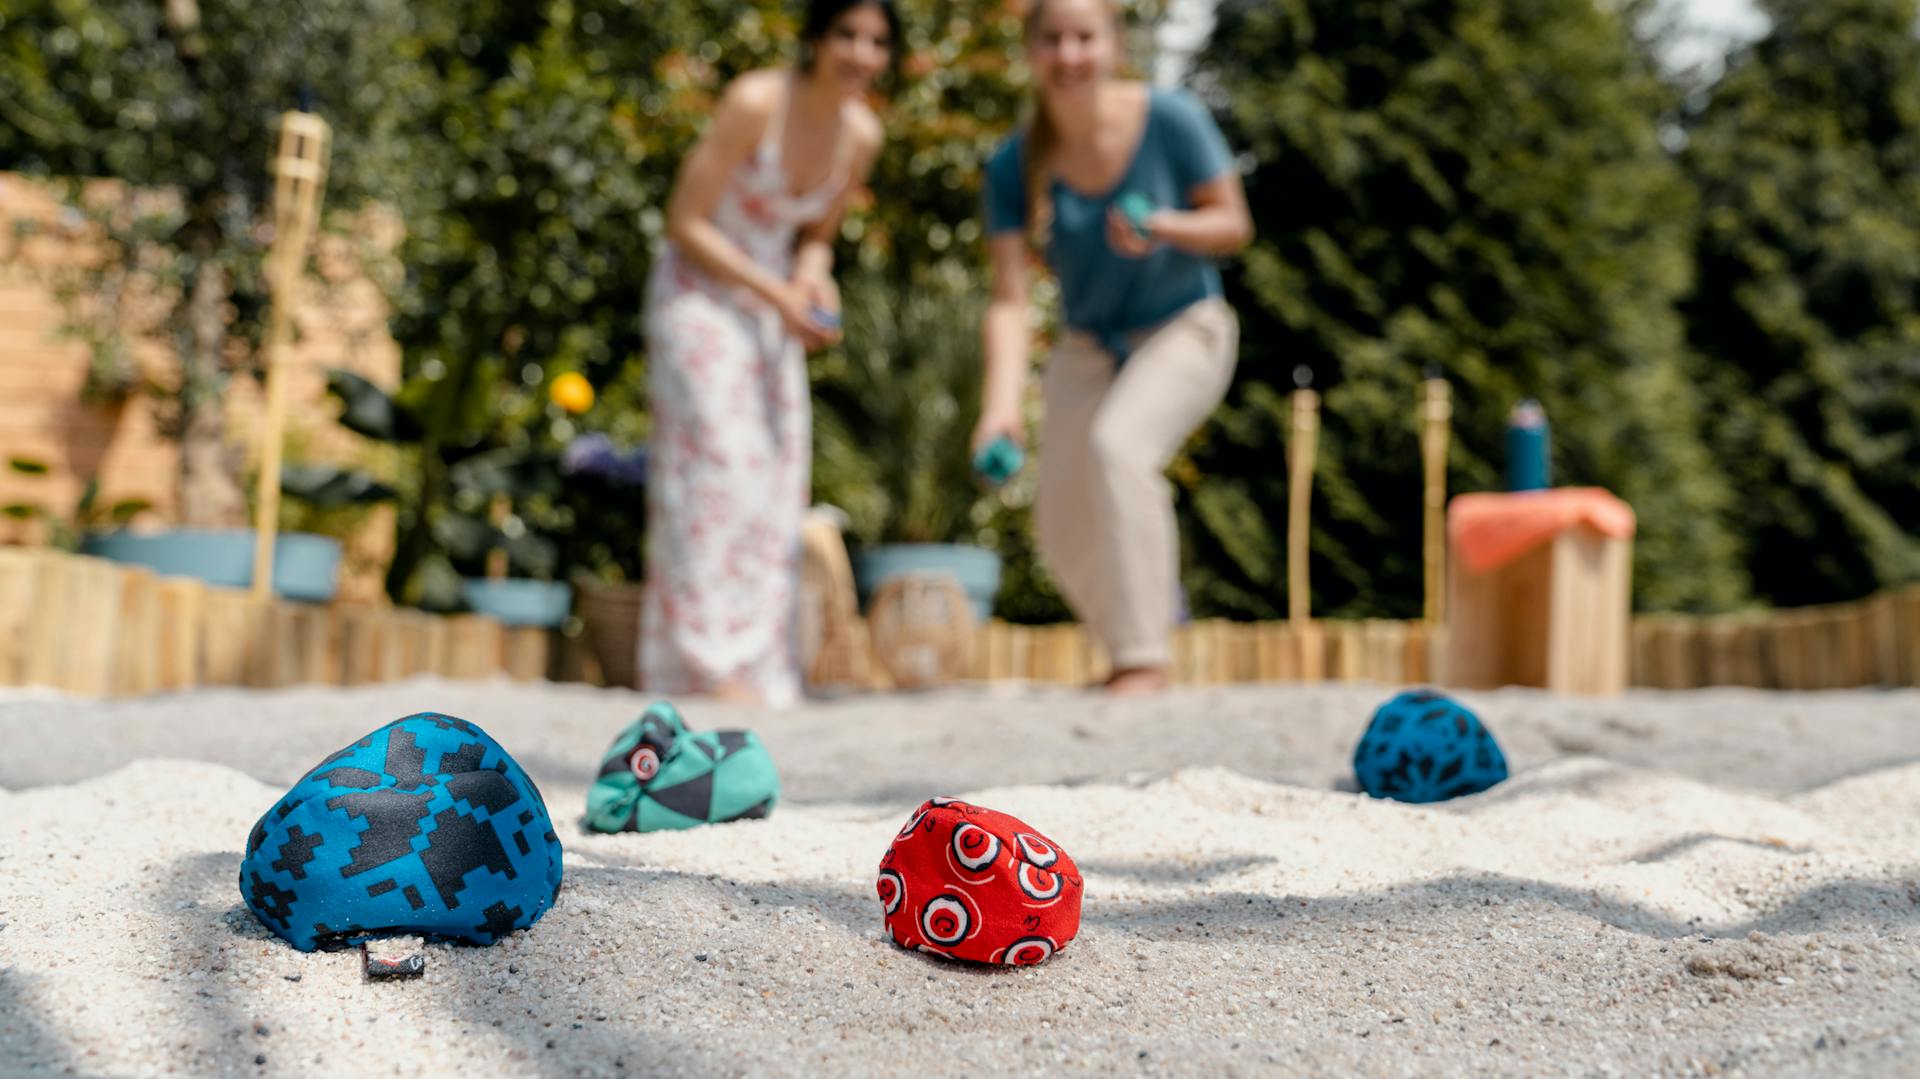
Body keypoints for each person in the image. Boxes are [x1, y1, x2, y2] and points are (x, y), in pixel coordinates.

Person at [973, 0, 1254, 696]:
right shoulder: (1013, 164)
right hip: (1089, 341)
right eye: (1053, 40)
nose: (1070, 55)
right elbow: (1009, 301)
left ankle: (1142, 659)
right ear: (1031, 51)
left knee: (1119, 448)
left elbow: (1233, 225)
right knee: (1061, 523)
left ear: (1112, 44)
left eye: (1084, 38)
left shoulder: (1171, 120)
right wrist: (1000, 408)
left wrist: (1164, 226)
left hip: (1185, 324)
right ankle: (1140, 632)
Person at [642, 0, 896, 708]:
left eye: (877, 42)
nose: (861, 53)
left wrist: (813, 281)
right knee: (715, 471)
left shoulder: (861, 135)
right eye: (847, 34)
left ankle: (753, 664)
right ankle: (702, 663)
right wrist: (777, 293)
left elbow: (816, 235)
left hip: (772, 304)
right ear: (816, 38)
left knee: (775, 479)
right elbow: (684, 222)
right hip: (699, 293)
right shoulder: (756, 101)